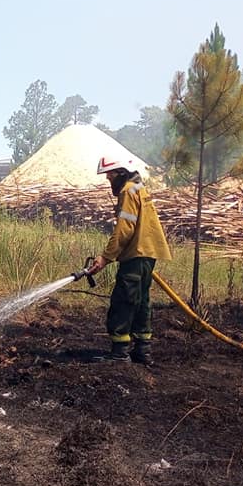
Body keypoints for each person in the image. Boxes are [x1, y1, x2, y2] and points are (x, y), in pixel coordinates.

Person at [86, 154, 171, 365]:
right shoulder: (138, 188)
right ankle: (142, 350)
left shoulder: (127, 191)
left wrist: (105, 257)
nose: (108, 179)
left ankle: (119, 353)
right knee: (141, 301)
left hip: (136, 253)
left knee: (123, 301)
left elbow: (125, 229)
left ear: (120, 173)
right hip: (148, 252)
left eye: (109, 175)